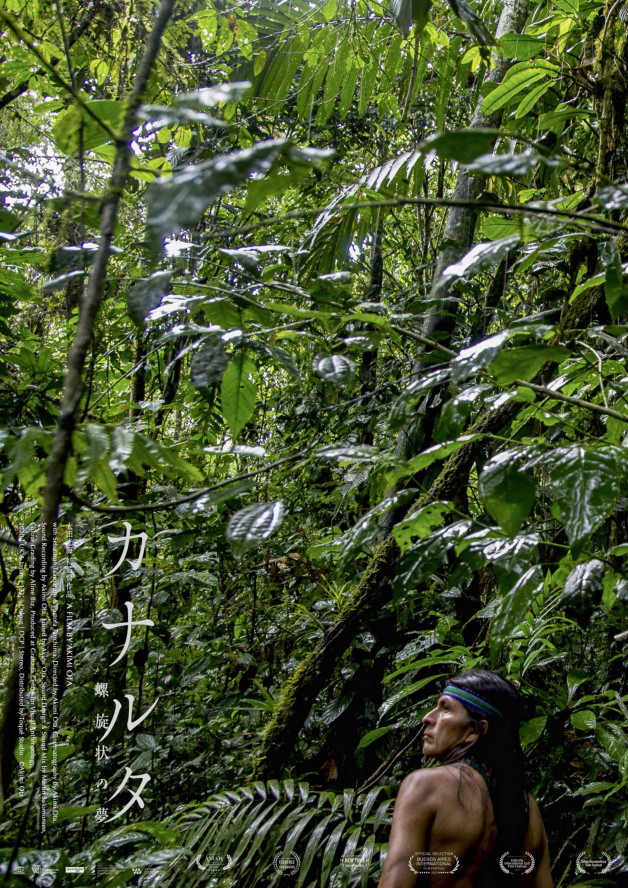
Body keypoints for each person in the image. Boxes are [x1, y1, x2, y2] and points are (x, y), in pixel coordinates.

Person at [377, 669, 553, 887]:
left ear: (474, 731)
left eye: (446, 709)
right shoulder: (528, 808)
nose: (427, 718)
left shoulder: (425, 786)